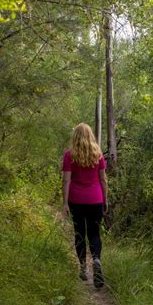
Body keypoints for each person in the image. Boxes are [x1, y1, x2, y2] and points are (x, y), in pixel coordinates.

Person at [62, 122, 108, 288]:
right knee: (94, 234)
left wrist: (65, 202)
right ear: (91, 136)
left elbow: (66, 180)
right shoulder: (98, 155)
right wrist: (105, 199)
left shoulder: (69, 155)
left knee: (79, 233)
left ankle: (83, 267)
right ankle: (96, 259)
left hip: (77, 201)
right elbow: (103, 179)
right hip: (96, 200)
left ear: (75, 136)